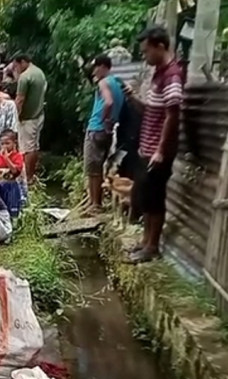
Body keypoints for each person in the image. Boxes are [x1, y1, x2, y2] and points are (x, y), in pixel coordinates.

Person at [123, 26, 183, 263]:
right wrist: (132, 97)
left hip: (159, 152)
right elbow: (151, 112)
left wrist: (160, 150)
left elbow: (173, 114)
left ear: (160, 46)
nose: (145, 56)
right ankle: (145, 242)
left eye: (147, 51)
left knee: (155, 198)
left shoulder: (172, 75)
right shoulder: (159, 73)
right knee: (146, 197)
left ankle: (152, 247)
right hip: (147, 148)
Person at [84, 55, 125, 214]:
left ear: (103, 67)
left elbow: (108, 102)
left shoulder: (104, 82)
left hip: (97, 128)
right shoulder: (117, 83)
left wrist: (104, 119)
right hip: (107, 131)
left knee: (92, 169)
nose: (94, 71)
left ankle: (95, 204)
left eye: (96, 67)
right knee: (99, 167)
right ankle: (94, 202)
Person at [12, 54, 48, 181]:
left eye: (16, 66)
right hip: (39, 115)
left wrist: (15, 117)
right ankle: (31, 176)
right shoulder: (39, 73)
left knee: (26, 149)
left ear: (22, 62)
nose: (15, 69)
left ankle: (27, 178)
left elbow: (20, 99)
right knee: (34, 147)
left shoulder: (25, 76)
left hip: (28, 118)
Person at [0, 129, 25, 217]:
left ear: (14, 143)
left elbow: (15, 170)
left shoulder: (18, 156)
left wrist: (7, 159)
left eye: (7, 143)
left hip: (11, 186)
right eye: (2, 144)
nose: (4, 146)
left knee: (12, 208)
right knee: (0, 209)